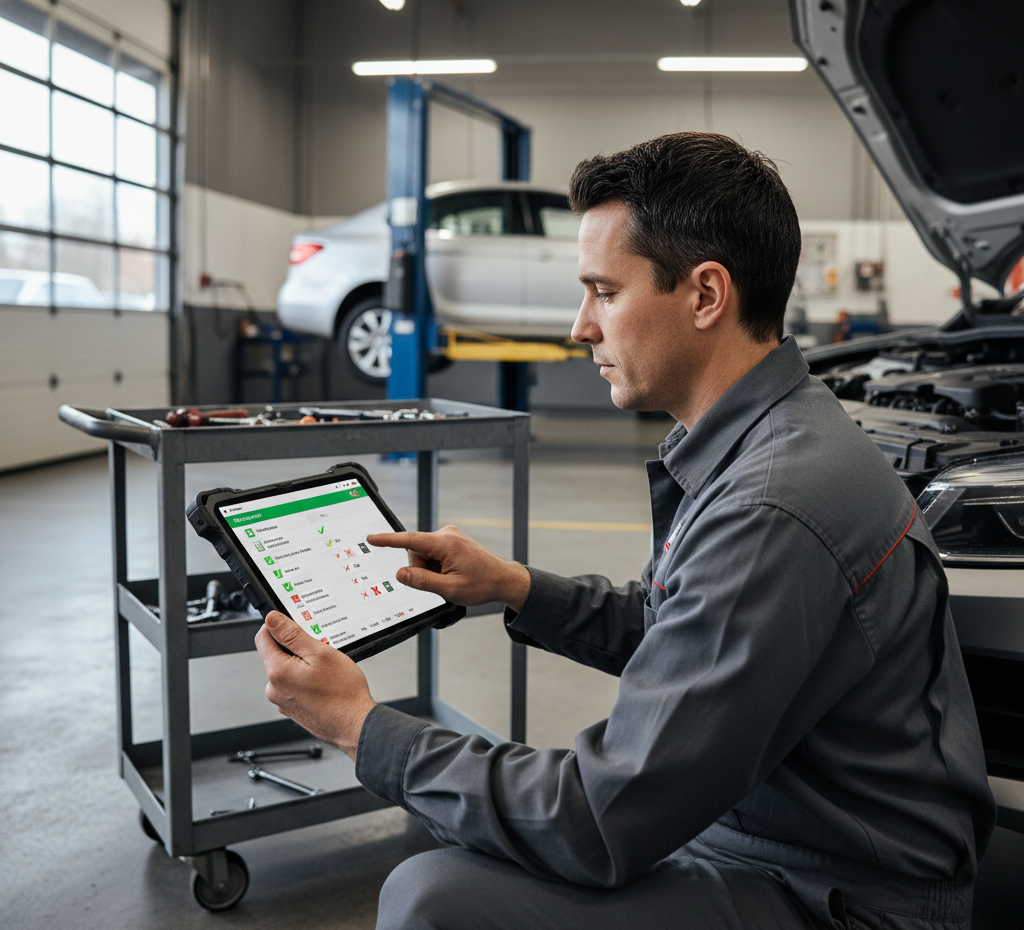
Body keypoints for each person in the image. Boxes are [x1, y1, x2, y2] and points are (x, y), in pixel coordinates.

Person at [255, 132, 995, 930]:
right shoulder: (774, 438)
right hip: (776, 831)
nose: (581, 326)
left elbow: (596, 820)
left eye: (604, 291)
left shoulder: (773, 505)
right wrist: (518, 588)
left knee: (432, 899)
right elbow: (692, 630)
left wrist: (362, 729)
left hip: (838, 895)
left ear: (706, 295)